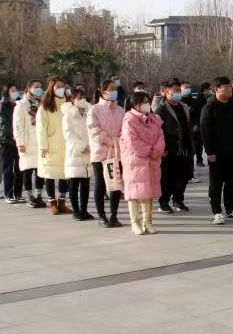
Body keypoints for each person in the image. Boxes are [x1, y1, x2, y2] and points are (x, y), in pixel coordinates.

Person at [200, 77, 233, 224]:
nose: (229, 89)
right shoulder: (210, 107)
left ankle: (230, 210)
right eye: (225, 87)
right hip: (217, 153)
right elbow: (205, 131)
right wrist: (210, 152)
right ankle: (217, 212)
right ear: (217, 89)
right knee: (216, 184)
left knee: (232, 182)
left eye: (229, 87)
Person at [121, 91, 165, 235]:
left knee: (149, 192)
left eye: (147, 101)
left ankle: (147, 221)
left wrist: (156, 151)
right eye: (143, 101)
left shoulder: (154, 119)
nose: (146, 104)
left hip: (151, 160)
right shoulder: (129, 120)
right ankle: (135, 222)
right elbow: (132, 141)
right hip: (135, 161)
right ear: (136, 104)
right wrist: (149, 151)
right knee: (134, 192)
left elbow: (160, 136)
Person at [87, 79, 125, 227]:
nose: (114, 91)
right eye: (111, 89)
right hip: (100, 153)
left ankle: (114, 215)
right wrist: (110, 140)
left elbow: (125, 129)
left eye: (116, 89)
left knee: (115, 184)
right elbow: (93, 130)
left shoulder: (120, 110)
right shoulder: (94, 109)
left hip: (116, 152)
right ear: (103, 92)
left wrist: (118, 141)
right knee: (100, 183)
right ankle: (102, 216)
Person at [155, 79, 193, 213]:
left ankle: (178, 200)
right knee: (167, 178)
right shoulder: (161, 109)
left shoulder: (184, 107)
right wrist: (162, 148)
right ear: (165, 92)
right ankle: (163, 201)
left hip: (184, 148)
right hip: (169, 149)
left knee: (183, 176)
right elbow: (157, 131)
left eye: (179, 90)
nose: (178, 93)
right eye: (174, 91)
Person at [37, 77, 71, 215]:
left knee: (65, 174)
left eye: (63, 86)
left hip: (67, 145)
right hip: (51, 145)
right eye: (58, 86)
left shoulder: (68, 104)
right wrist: (43, 146)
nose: (61, 88)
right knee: (50, 174)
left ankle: (62, 202)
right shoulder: (45, 106)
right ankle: (52, 203)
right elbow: (40, 129)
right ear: (52, 88)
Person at [62, 89, 93, 221]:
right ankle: (76, 210)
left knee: (85, 183)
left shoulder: (88, 112)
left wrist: (90, 145)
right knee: (74, 183)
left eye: (84, 97)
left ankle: (84, 210)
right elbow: (68, 134)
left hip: (88, 151)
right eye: (79, 97)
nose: (82, 100)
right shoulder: (67, 115)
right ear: (72, 99)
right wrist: (81, 146)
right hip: (75, 152)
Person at [14, 80, 45, 208]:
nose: (38, 89)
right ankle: (29, 196)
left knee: (40, 170)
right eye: (35, 87)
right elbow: (17, 125)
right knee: (27, 170)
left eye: (40, 87)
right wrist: (20, 142)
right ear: (29, 88)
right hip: (27, 142)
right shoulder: (21, 105)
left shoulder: (42, 104)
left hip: (40, 142)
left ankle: (38, 195)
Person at [0, 84, 24, 203]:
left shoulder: (21, 104)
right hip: (8, 141)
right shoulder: (4, 106)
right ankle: (8, 194)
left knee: (19, 168)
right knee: (8, 168)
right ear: (7, 93)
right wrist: (12, 135)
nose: (15, 92)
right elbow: (4, 124)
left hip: (20, 141)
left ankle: (18, 193)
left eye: (16, 90)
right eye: (12, 90)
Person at [180, 80, 200, 184]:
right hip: (181, 132)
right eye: (185, 88)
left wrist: (196, 124)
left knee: (191, 153)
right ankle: (182, 174)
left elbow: (197, 114)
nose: (188, 90)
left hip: (192, 131)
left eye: (189, 88)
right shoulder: (179, 102)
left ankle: (190, 174)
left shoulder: (194, 101)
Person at [193, 82, 211, 167]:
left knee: (209, 142)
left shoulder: (209, 98)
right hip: (200, 123)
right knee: (199, 144)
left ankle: (209, 158)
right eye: (209, 89)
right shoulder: (198, 100)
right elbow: (196, 113)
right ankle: (199, 160)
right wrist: (196, 124)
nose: (210, 91)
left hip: (208, 124)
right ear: (205, 90)